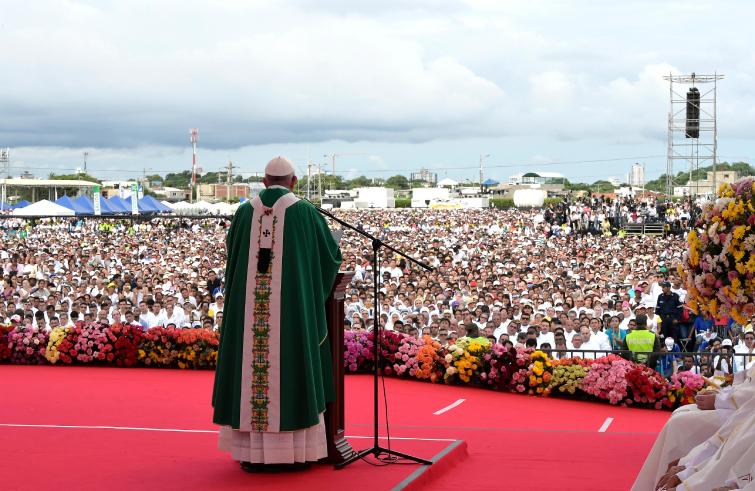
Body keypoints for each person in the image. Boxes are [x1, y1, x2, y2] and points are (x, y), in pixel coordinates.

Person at [212, 156, 342, 471]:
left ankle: (252, 454)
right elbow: (330, 259)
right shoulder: (306, 213)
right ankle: (293, 454)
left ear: (265, 181)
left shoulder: (244, 212)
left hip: (249, 318)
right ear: (294, 181)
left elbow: (234, 252)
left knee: (250, 370)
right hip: (292, 316)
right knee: (290, 368)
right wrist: (310, 293)